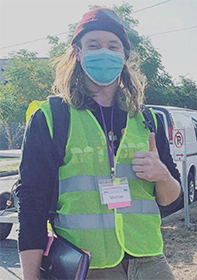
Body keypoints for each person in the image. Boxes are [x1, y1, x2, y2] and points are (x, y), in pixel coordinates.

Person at [17, 7, 181, 280]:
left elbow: (173, 201)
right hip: (87, 267)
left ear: (124, 56)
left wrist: (162, 175)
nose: (104, 52)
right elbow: (31, 204)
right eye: (93, 45)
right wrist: (31, 276)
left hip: (150, 261)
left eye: (112, 46)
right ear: (78, 54)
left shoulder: (147, 119)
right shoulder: (52, 117)